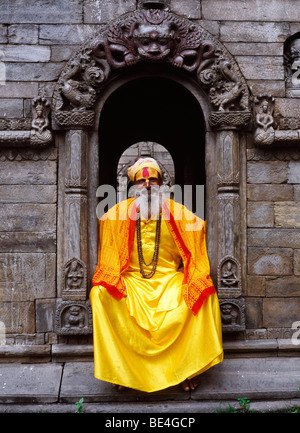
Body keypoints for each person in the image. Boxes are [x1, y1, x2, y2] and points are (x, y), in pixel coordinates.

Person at [89, 157, 223, 393]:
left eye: (153, 179)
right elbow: (108, 255)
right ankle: (122, 370)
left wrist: (188, 267)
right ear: (134, 186)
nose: (148, 184)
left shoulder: (178, 212)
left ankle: (185, 369)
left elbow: (197, 240)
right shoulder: (116, 214)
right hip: (132, 282)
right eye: (142, 181)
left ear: (162, 184)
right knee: (99, 293)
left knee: (203, 293)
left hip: (168, 281)